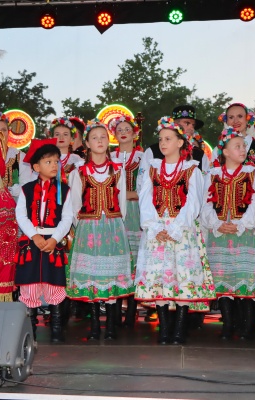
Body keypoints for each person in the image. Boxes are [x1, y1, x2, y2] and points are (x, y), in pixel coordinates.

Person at [136, 117, 215, 345]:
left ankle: (179, 330)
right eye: (161, 139)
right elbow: (145, 200)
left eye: (168, 139)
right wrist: (155, 226)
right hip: (157, 232)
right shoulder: (152, 169)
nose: (163, 143)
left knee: (183, 277)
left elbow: (193, 203)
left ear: (180, 142)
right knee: (159, 278)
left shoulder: (192, 170)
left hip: (182, 231)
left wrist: (176, 227)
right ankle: (164, 329)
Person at [66, 119, 134, 341]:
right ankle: (95, 325)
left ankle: (111, 325)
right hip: (88, 228)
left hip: (113, 227)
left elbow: (122, 204)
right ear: (87, 143)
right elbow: (74, 205)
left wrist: (115, 223)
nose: (99, 141)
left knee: (112, 275)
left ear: (108, 141)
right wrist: (83, 226)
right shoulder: (79, 172)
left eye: (103, 137)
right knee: (93, 276)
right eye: (94, 138)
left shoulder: (118, 170)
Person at [200, 128, 255, 340]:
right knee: (222, 277)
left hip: (244, 233)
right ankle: (228, 324)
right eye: (237, 146)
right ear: (225, 152)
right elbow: (205, 203)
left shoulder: (254, 173)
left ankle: (247, 326)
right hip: (219, 234)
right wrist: (216, 224)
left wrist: (241, 224)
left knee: (246, 277)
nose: (243, 149)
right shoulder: (213, 174)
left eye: (244, 146)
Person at [15, 140, 73, 343]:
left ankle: (56, 329)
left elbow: (67, 218)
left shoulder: (64, 190)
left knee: (54, 286)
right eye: (48, 162)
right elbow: (21, 215)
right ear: (36, 167)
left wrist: (55, 238)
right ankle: (30, 331)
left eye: (56, 161)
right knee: (29, 286)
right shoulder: (26, 189)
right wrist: (34, 235)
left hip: (53, 243)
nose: (54, 165)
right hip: (32, 242)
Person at [109, 115, 144, 328]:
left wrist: (125, 194)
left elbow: (146, 189)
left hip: (135, 212)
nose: (123, 132)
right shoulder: (109, 156)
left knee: (135, 260)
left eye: (127, 129)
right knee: (116, 258)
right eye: (119, 129)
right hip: (113, 211)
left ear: (135, 133)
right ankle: (114, 310)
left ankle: (131, 310)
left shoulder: (142, 157)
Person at [140, 105, 208, 179]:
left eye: (193, 125)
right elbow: (141, 181)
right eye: (187, 123)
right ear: (175, 124)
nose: (191, 127)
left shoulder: (200, 154)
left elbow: (206, 182)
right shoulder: (152, 151)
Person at [212, 103, 255, 172]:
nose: (235, 121)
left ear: (247, 119)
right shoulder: (219, 149)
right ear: (226, 121)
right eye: (231, 117)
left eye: (240, 116)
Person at [51, 117, 84, 183]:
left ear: (71, 138)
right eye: (57, 134)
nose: (61, 137)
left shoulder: (77, 160)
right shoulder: (45, 158)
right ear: (52, 137)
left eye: (65, 134)